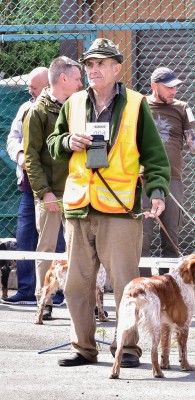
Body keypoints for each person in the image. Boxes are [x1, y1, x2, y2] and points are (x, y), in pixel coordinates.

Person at [47, 38, 170, 368]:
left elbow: (155, 156)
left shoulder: (135, 103)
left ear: (118, 68)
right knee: (76, 285)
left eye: (101, 63)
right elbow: (53, 143)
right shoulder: (72, 103)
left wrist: (156, 192)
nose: (93, 69)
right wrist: (67, 141)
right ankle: (84, 348)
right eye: (89, 64)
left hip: (119, 206)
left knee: (126, 285)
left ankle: (127, 349)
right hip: (79, 205)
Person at [23, 56, 83, 319]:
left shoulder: (78, 107)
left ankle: (79, 299)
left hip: (77, 188)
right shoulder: (37, 112)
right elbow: (31, 157)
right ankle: (43, 300)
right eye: (78, 78)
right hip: (50, 192)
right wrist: (43, 192)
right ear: (63, 79)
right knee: (46, 247)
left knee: (79, 247)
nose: (82, 82)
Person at [141, 67, 195, 276]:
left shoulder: (181, 107)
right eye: (169, 87)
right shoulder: (139, 106)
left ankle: (169, 285)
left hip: (172, 178)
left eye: (176, 87)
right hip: (143, 179)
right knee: (142, 236)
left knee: (171, 237)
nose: (174, 91)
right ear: (154, 86)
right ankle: (145, 285)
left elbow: (192, 143)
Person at [3, 67, 48, 305]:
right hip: (28, 187)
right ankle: (26, 289)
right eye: (29, 86)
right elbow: (12, 137)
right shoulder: (25, 108)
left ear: (49, 85)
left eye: (34, 86)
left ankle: (56, 292)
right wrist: (19, 154)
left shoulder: (63, 107)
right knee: (25, 236)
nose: (29, 90)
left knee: (57, 239)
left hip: (54, 188)